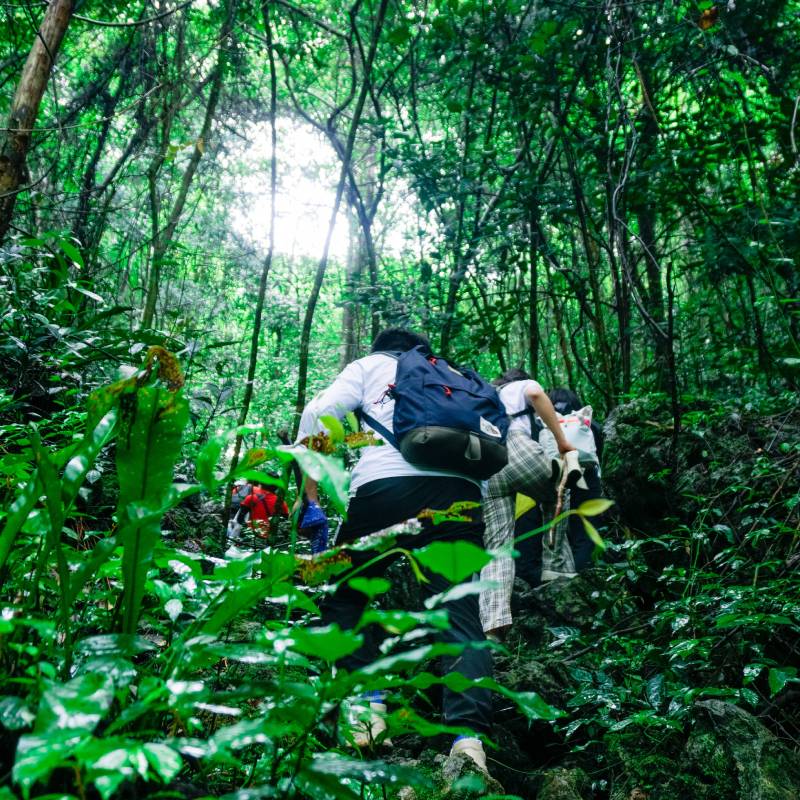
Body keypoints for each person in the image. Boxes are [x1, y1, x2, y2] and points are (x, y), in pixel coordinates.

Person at [294, 328, 492, 772]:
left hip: (384, 490)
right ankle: (467, 742)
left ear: (381, 347)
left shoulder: (370, 367)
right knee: (460, 612)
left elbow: (320, 411)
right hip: (461, 496)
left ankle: (367, 712)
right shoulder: (451, 374)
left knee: (349, 595)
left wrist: (310, 494)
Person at [479, 369, 576, 639]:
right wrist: (562, 442)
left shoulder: (482, 395)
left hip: (488, 467)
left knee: (497, 548)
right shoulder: (521, 386)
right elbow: (535, 393)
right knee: (559, 490)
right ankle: (555, 566)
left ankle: (493, 628)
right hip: (517, 450)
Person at [515, 388, 605, 585]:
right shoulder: (588, 425)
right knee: (585, 531)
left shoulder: (541, 425)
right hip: (586, 478)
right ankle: (583, 578)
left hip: (555, 476)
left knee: (554, 526)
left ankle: (550, 575)